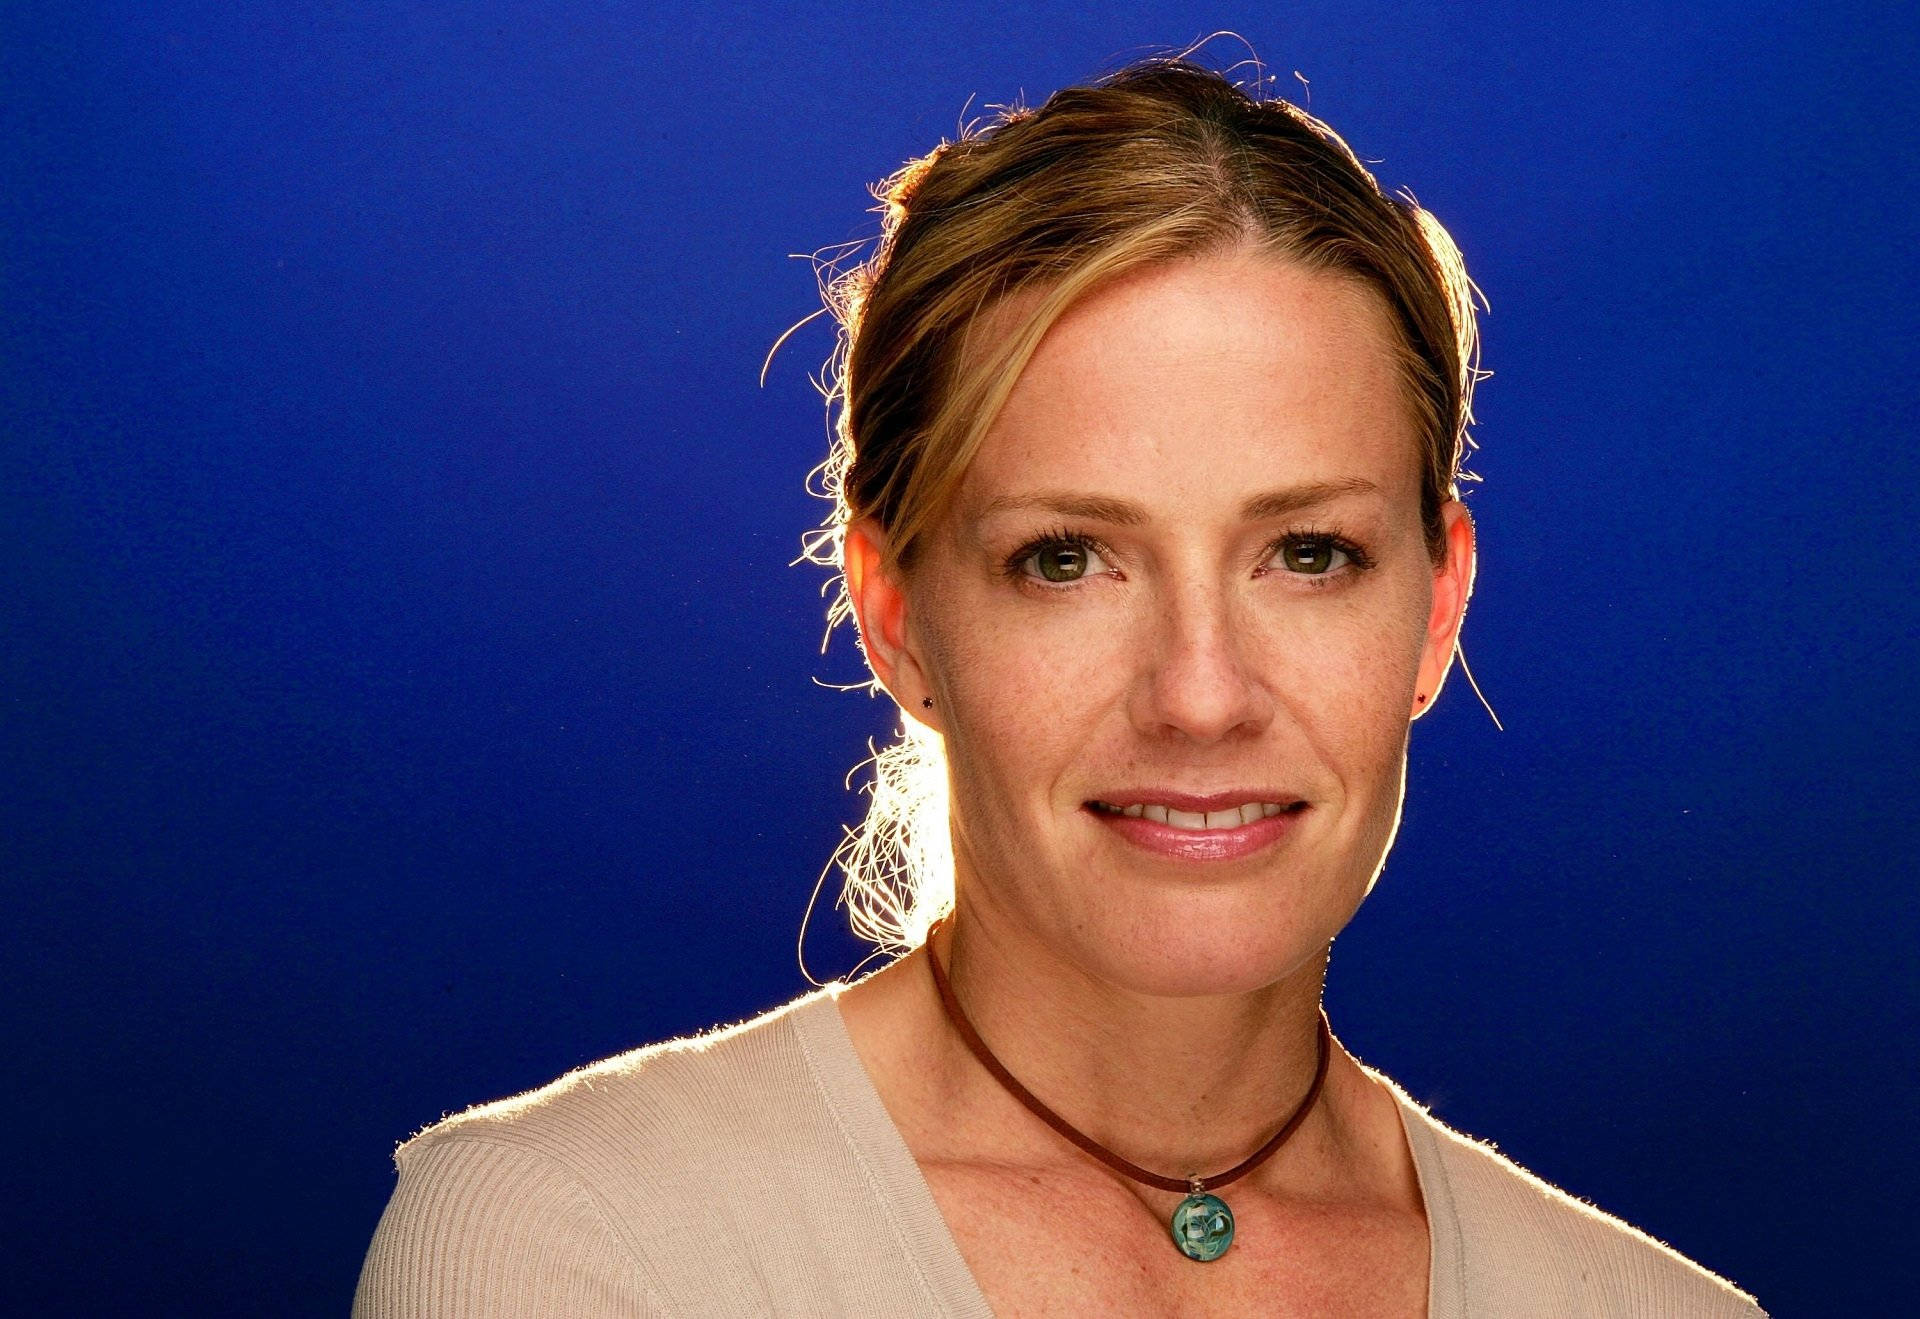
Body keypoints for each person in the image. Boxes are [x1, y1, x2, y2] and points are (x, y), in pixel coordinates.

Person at [354, 56, 1766, 1317]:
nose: (1201, 694)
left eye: (1310, 552)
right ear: (893, 609)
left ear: (1437, 606)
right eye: (1068, 558)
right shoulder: (567, 1250)